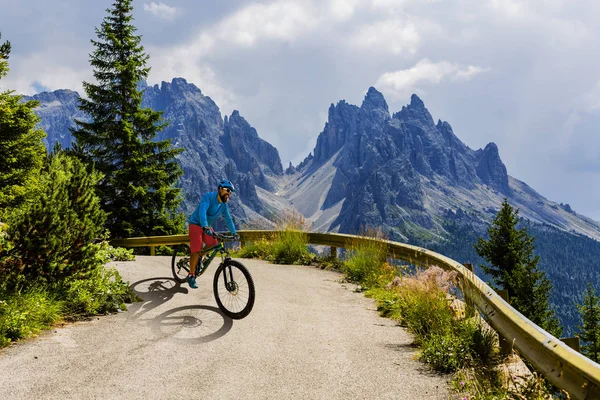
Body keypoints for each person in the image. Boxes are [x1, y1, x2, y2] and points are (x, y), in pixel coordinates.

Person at [187, 179, 238, 289]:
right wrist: (204, 225)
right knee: (197, 248)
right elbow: (202, 211)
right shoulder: (209, 196)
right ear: (220, 189)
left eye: (231, 192)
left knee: (215, 243)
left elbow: (228, 219)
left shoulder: (223, 205)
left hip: (206, 226)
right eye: (227, 190)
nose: (229, 193)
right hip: (196, 223)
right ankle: (191, 275)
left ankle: (200, 256)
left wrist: (234, 233)